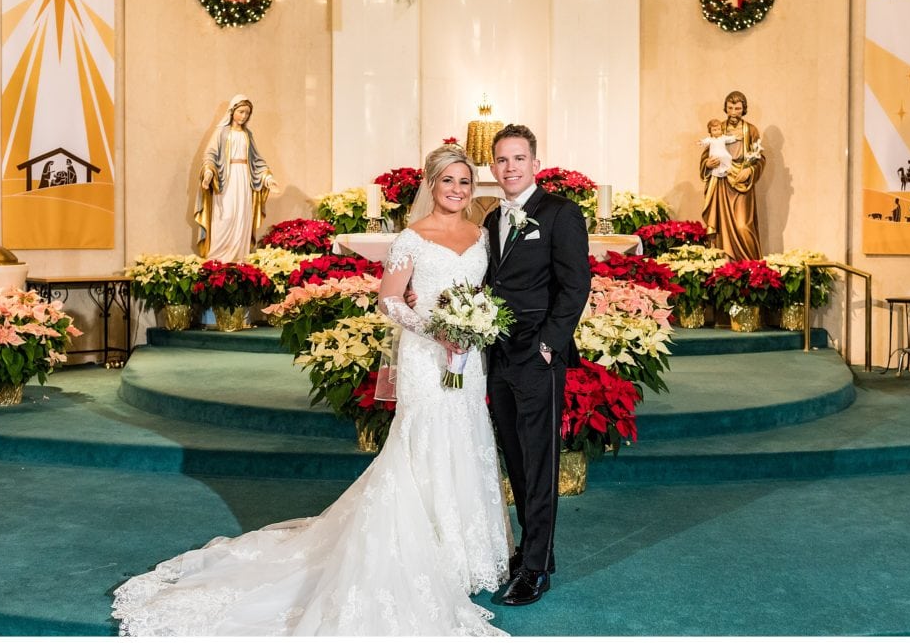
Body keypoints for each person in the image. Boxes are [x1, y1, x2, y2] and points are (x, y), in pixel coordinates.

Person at [111, 144, 513, 636]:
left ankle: (466, 553)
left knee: (466, 434)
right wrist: (437, 330)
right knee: (422, 441)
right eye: (448, 180)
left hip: (469, 359)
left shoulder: (481, 235)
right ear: (430, 184)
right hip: (427, 357)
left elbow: (485, 295)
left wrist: (470, 329)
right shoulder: (412, 237)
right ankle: (421, 549)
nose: (457, 189)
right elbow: (389, 301)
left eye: (465, 182)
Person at [484, 124, 590, 606]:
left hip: (538, 356)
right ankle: (531, 547)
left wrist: (550, 343)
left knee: (540, 460)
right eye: (502, 160)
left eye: (519, 159)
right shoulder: (490, 219)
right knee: (517, 459)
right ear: (493, 167)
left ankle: (537, 568)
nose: (510, 167)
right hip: (499, 354)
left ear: (535, 163)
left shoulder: (560, 213)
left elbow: (575, 286)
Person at [194, 94, 279, 262]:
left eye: (247, 113)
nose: (244, 116)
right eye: (241, 112)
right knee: (225, 216)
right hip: (226, 180)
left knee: (242, 216)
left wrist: (267, 178)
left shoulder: (248, 134)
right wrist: (209, 172)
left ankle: (239, 257)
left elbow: (256, 160)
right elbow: (210, 154)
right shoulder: (222, 132)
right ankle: (218, 258)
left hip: (244, 180)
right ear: (232, 111)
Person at [700, 90, 766, 261]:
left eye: (738, 108)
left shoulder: (750, 130)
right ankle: (727, 268)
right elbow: (706, 154)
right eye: (730, 108)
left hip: (742, 184)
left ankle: (751, 268)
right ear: (726, 108)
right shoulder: (718, 128)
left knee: (743, 226)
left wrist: (749, 171)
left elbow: (760, 158)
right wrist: (707, 164)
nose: (734, 112)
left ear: (744, 109)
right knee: (722, 228)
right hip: (722, 184)